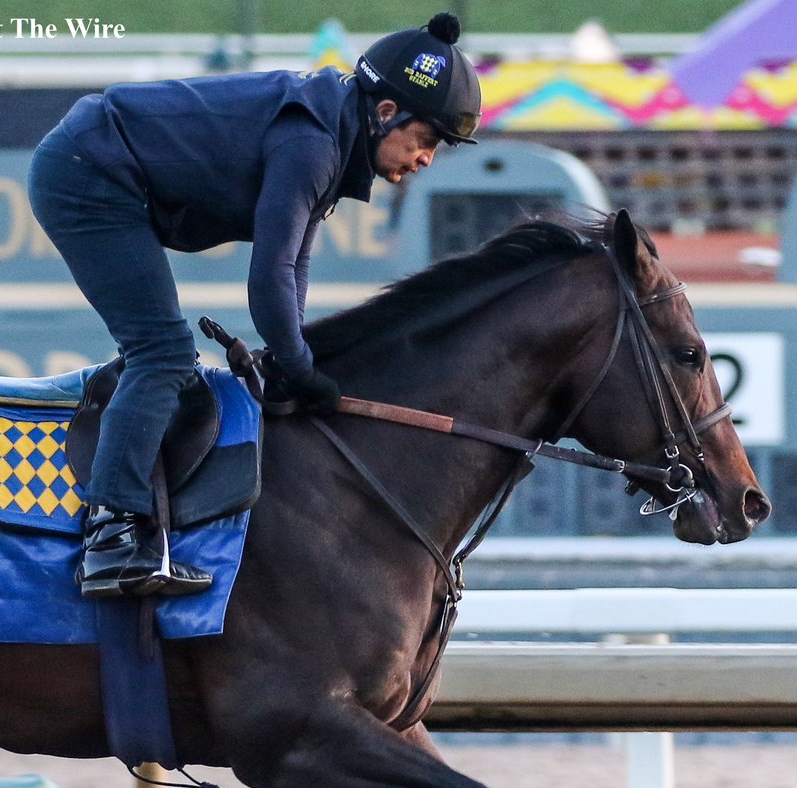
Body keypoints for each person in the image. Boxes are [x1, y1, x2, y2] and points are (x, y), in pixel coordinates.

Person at [28, 12, 482, 599]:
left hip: (104, 168)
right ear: (386, 113)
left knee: (164, 355)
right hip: (87, 174)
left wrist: (295, 357)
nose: (426, 160)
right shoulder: (313, 142)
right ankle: (111, 538)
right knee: (163, 354)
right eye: (426, 141)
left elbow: (294, 267)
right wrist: (298, 367)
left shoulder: (333, 128)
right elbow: (267, 279)